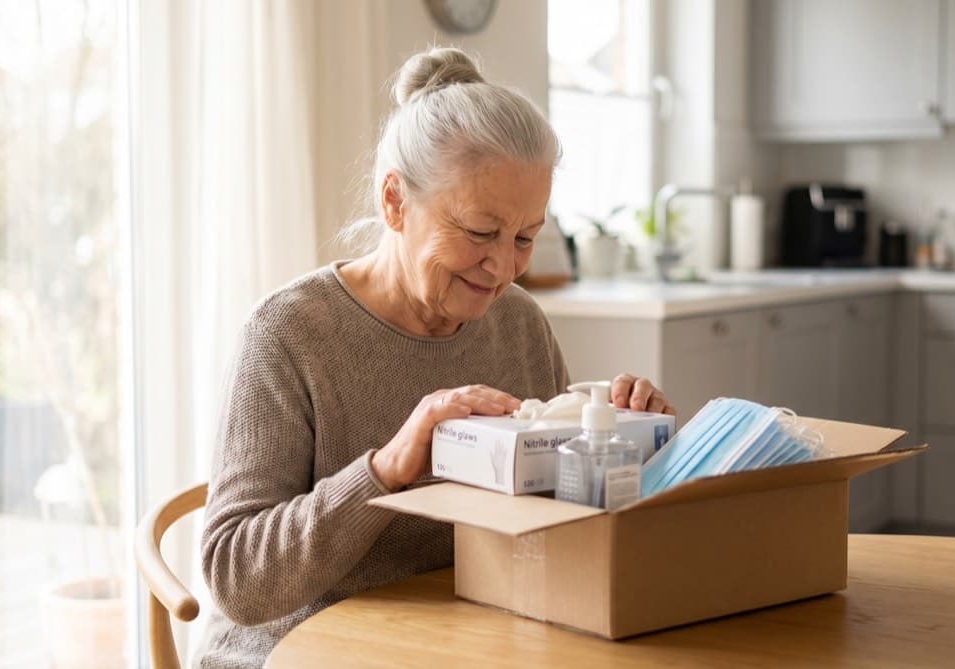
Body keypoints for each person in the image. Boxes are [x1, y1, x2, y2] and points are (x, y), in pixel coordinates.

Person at [196, 47, 676, 668]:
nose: (503, 267)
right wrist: (385, 469)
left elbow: (555, 521)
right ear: (395, 202)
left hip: (461, 643)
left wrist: (624, 440)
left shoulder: (518, 322)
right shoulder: (290, 333)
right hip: (298, 652)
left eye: (525, 237)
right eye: (479, 232)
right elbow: (237, 580)